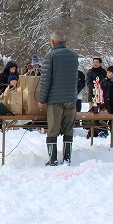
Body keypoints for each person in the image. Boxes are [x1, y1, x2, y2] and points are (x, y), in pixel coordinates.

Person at [38, 31, 79, 166]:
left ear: (52, 42)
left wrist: (42, 100)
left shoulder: (50, 56)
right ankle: (67, 158)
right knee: (68, 129)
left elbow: (46, 81)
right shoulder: (74, 56)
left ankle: (53, 159)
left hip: (55, 99)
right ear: (65, 41)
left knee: (53, 130)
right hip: (71, 98)